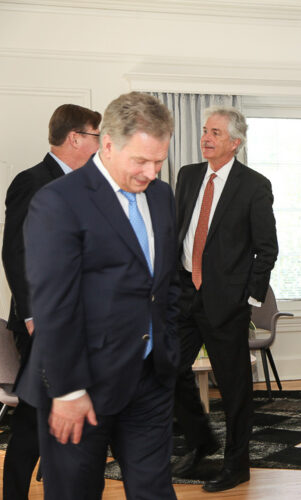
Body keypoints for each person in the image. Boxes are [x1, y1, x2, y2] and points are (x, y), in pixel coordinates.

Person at [15, 91, 180, 499]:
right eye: (140, 160)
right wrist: (68, 391)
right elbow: (54, 305)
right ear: (107, 144)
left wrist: (169, 344)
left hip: (149, 379)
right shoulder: (58, 201)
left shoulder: (161, 196)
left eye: (159, 161)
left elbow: (166, 282)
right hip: (81, 384)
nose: (151, 173)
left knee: (155, 492)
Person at [172, 106, 278, 492]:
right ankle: (201, 440)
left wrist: (246, 298)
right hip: (183, 293)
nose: (206, 137)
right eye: (204, 130)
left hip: (226, 302)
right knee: (166, 370)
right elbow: (178, 231)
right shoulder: (187, 176)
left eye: (215, 132)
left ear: (235, 142)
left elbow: (266, 249)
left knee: (234, 389)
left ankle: (237, 465)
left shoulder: (254, 185)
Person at [2, 103, 101, 500]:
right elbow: (16, 253)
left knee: (67, 419)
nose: (101, 145)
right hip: (42, 325)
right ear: (75, 137)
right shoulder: (33, 181)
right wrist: (32, 317)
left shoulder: (88, 185)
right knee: (32, 420)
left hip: (79, 323)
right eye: (96, 137)